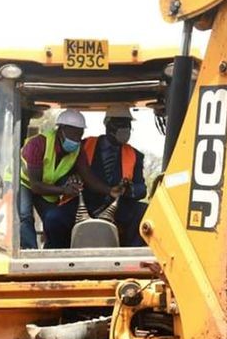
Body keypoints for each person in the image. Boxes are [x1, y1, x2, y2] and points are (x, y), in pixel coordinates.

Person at [19, 109, 123, 249]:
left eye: (79, 135)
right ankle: (29, 251)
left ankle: (52, 251)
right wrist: (63, 190)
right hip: (23, 182)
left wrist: (109, 190)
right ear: (61, 130)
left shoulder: (77, 150)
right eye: (73, 134)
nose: (76, 139)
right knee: (24, 215)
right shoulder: (38, 144)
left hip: (46, 185)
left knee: (53, 218)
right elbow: (35, 186)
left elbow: (89, 178)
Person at [81, 104, 148, 247]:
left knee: (143, 210)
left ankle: (131, 252)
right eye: (120, 124)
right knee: (56, 217)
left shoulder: (135, 155)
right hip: (85, 204)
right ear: (107, 124)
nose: (125, 129)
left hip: (118, 207)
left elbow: (142, 189)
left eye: (128, 124)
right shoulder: (85, 145)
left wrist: (128, 190)